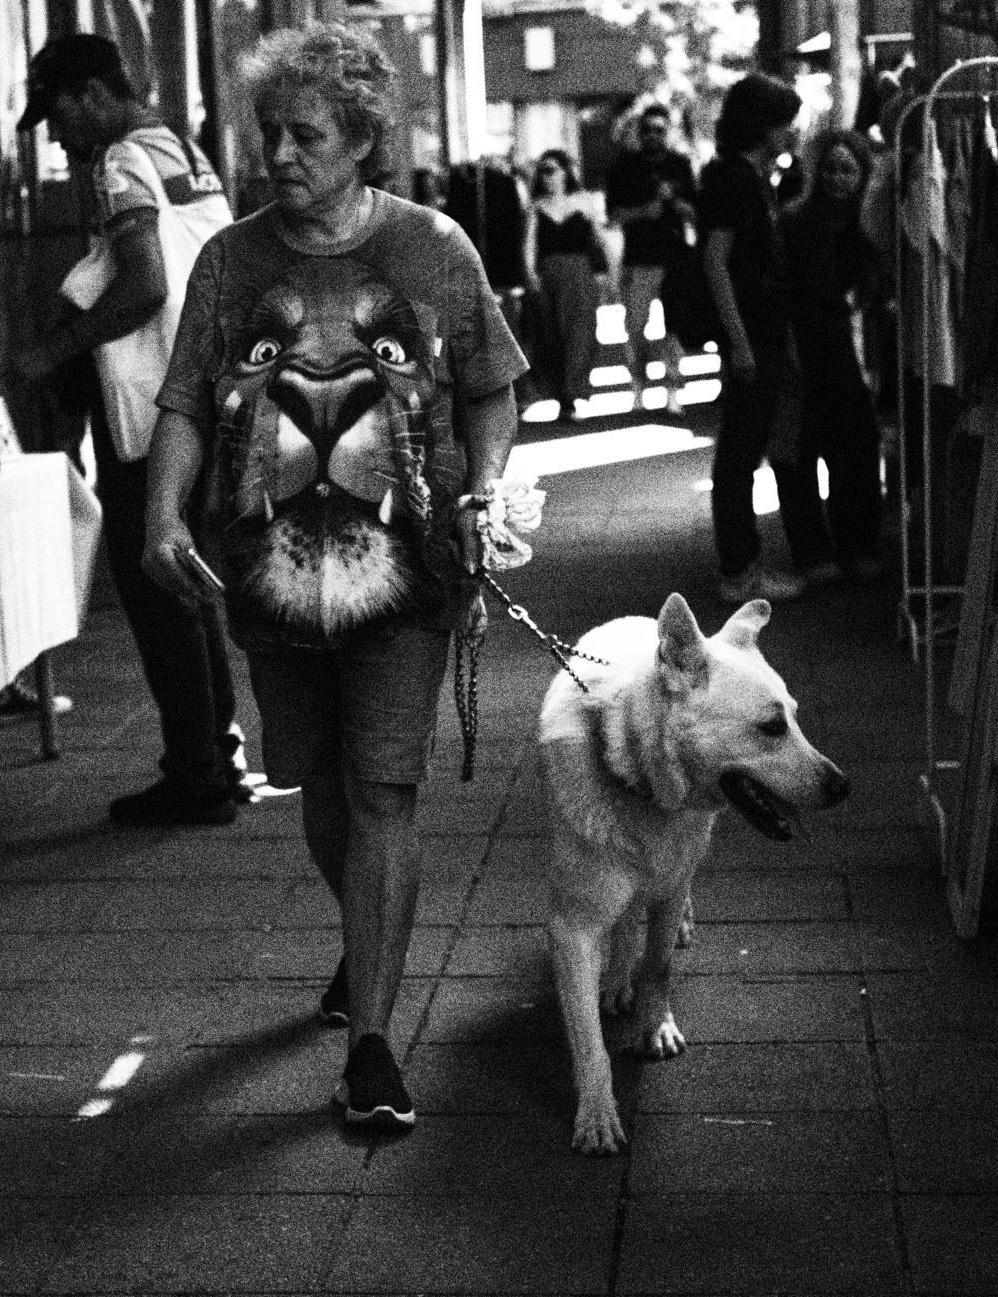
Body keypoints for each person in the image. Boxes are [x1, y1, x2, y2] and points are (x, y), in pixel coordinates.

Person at [142, 21, 525, 1125]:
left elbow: (490, 387)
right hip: (264, 569)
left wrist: (483, 486)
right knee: (314, 781)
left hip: (407, 567)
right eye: (268, 132)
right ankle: (367, 938)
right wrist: (161, 511)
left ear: (361, 137)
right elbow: (181, 401)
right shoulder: (229, 259)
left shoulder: (435, 248)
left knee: (381, 788)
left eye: (303, 134)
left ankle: (371, 1043)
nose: (278, 155)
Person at [7, 33, 247, 827]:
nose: (58, 134)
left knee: (156, 588)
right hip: (205, 392)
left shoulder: (120, 163)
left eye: (60, 113)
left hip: (148, 404)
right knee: (189, 581)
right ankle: (217, 754)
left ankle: (196, 772)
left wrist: (54, 350)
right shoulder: (184, 147)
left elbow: (144, 283)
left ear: (91, 96)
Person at [694, 71, 839, 603]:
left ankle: (743, 564)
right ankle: (739, 570)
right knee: (740, 453)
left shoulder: (746, 175)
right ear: (762, 126)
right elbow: (716, 262)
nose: (793, 133)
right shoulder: (735, 179)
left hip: (760, 332)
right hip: (754, 334)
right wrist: (740, 342)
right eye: (785, 124)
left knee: (744, 448)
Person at [776, 128, 886, 580]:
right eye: (831, 168)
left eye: (848, 169)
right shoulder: (794, 222)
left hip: (847, 346)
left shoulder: (871, 225)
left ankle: (858, 542)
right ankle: (812, 551)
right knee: (798, 451)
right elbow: (781, 290)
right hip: (804, 342)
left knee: (857, 447)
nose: (838, 178)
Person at [604, 102, 699, 415]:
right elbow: (613, 215)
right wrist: (644, 211)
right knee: (635, 326)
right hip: (639, 258)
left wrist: (673, 200)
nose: (653, 136)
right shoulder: (623, 167)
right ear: (639, 132)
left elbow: (696, 213)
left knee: (674, 326)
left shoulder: (680, 165)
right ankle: (637, 388)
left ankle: (673, 389)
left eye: (660, 129)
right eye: (647, 130)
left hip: (674, 258)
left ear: (667, 131)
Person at [524, 148, 608, 419]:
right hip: (549, 274)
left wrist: (607, 272)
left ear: (565, 172)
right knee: (551, 335)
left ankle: (575, 390)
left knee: (581, 332)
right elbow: (529, 245)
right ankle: (563, 396)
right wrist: (531, 274)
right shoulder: (536, 206)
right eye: (542, 171)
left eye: (551, 169)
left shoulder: (583, 202)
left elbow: (599, 240)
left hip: (580, 272)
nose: (546, 176)